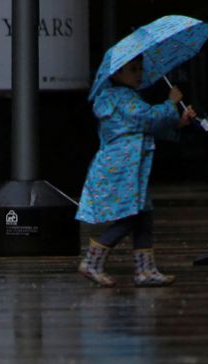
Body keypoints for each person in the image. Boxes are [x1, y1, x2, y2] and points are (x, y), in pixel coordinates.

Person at [76, 55, 196, 287]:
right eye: (132, 69)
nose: (139, 73)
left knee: (143, 214)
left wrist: (178, 122)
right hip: (122, 167)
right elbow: (147, 118)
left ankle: (145, 269)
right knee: (131, 215)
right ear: (116, 75)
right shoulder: (120, 97)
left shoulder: (126, 97)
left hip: (130, 168)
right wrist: (171, 103)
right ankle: (92, 260)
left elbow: (145, 128)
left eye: (140, 68)